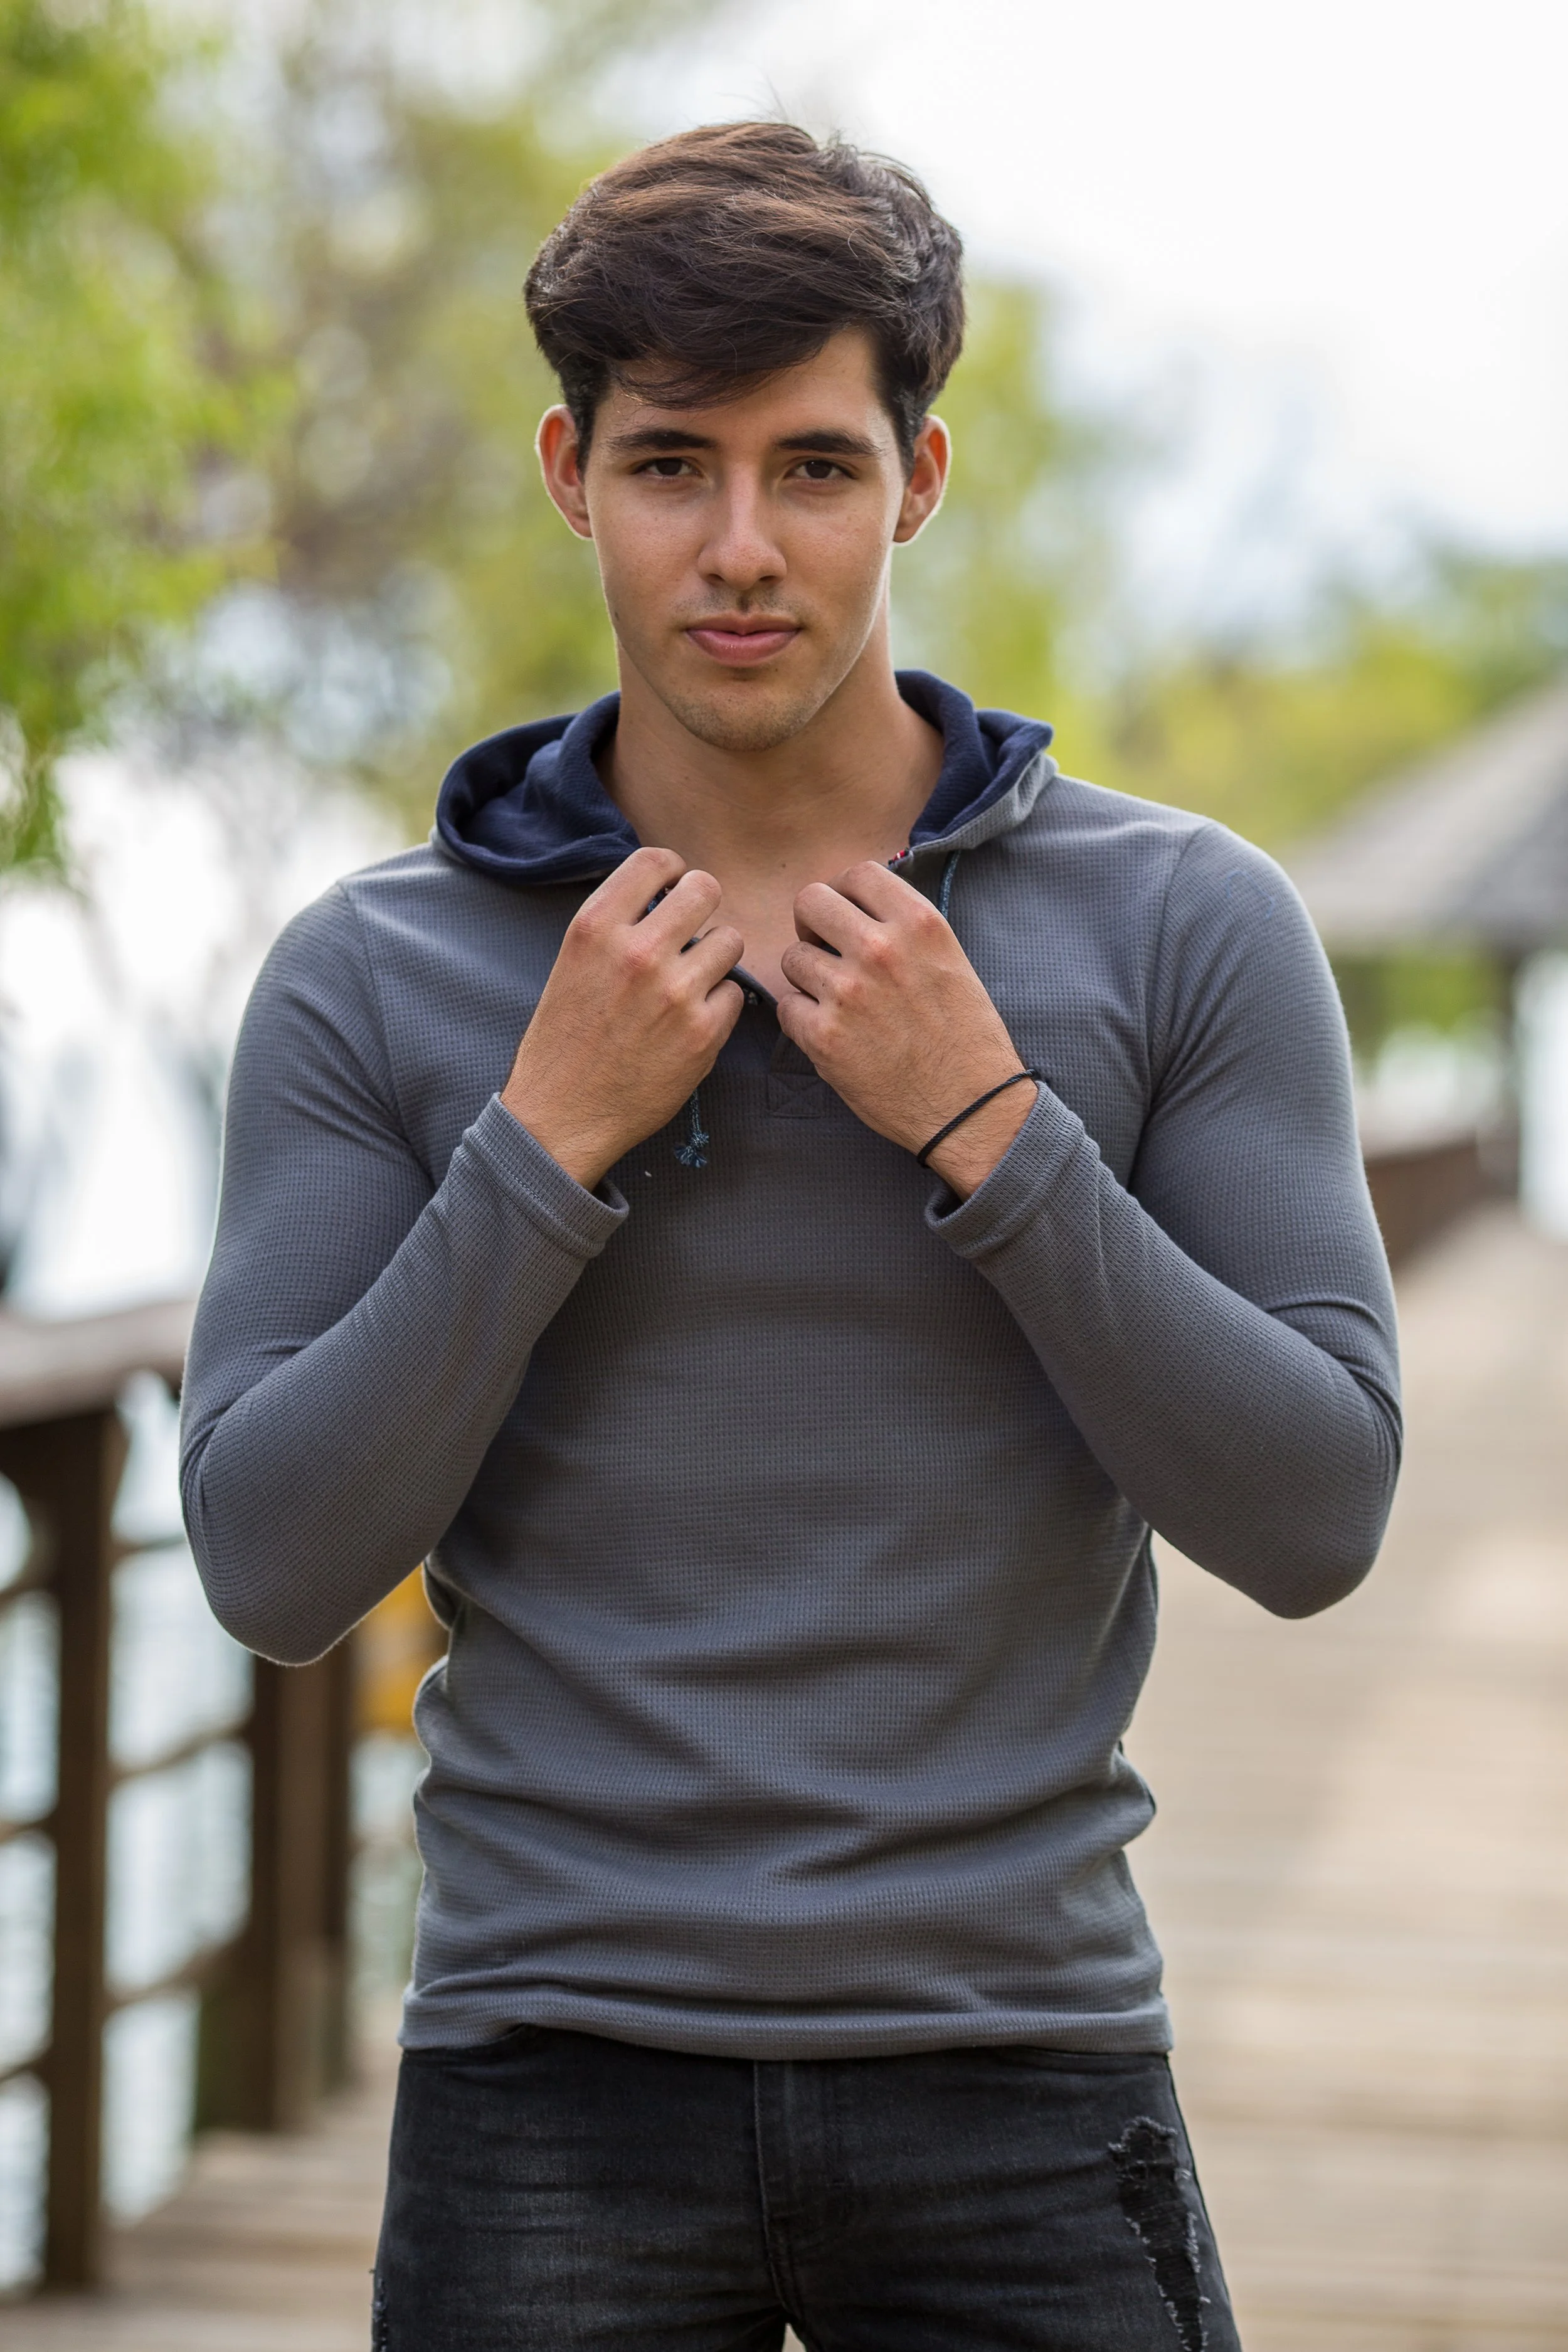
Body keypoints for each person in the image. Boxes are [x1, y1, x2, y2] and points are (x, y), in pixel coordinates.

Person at [181, 121, 1401, 2351]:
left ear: (918, 480)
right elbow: (266, 1564)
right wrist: (542, 1143)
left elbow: (1318, 1510)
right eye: (673, 465)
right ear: (570, 471)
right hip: (543, 2076)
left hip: (1026, 2060)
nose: (740, 550)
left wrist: (992, 1128)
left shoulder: (1185, 924)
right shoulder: (374, 975)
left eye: (815, 469)